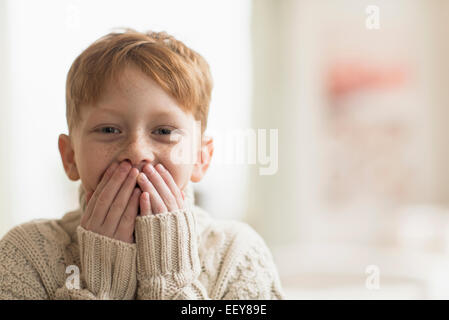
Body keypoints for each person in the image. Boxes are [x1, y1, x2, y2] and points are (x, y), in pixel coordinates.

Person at [0, 29, 285, 300]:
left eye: (164, 132)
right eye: (109, 130)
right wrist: (103, 288)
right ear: (70, 156)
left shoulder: (238, 255)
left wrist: (170, 282)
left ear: (200, 157)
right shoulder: (25, 254)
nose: (137, 153)